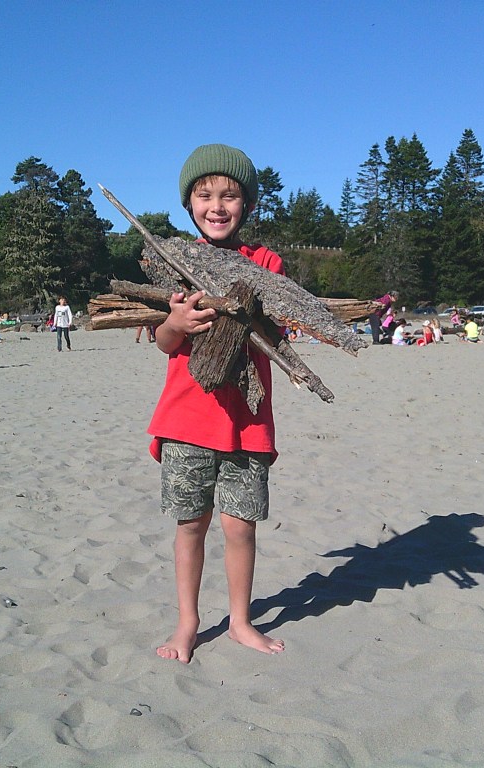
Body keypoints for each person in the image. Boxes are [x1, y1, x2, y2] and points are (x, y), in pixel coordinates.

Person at [148, 144, 285, 664]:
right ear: (189, 204)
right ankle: (188, 621)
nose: (217, 205)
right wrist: (175, 324)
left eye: (230, 195)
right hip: (187, 418)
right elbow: (163, 341)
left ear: (246, 204)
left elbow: (281, 322)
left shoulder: (266, 262)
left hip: (247, 422)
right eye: (204, 195)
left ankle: (241, 621)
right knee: (191, 525)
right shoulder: (172, 261)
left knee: (240, 526)